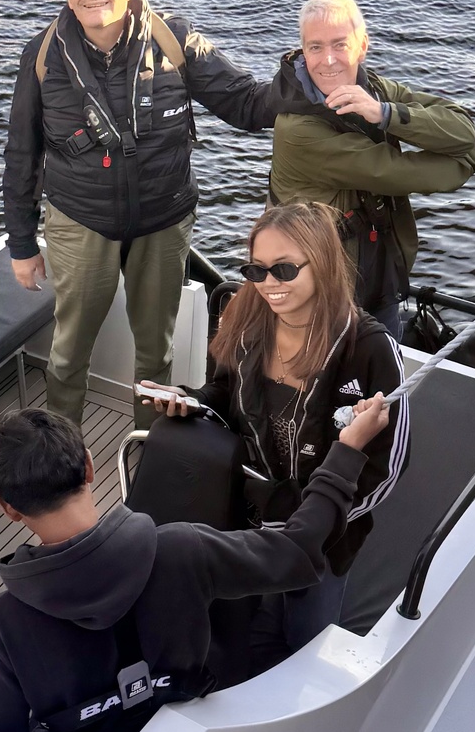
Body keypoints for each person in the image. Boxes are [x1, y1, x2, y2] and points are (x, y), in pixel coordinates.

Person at [0, 395, 389, 732]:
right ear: (90, 467)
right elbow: (297, 551)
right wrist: (347, 450)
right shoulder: (183, 550)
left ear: (9, 509)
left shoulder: (3, 625)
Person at [3, 0, 276, 428]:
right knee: (68, 353)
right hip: (80, 221)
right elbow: (22, 153)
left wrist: (314, 77)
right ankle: (64, 453)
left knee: (156, 353)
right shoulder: (41, 56)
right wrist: (22, 244)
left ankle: (151, 451)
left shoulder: (175, 39)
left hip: (162, 220)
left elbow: (248, 103)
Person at [147, 202, 406, 662]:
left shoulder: (369, 350)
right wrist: (192, 403)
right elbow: (224, 392)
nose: (269, 285)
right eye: (256, 270)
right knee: (236, 625)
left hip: (324, 541)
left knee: (304, 640)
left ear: (322, 262)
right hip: (244, 520)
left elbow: (387, 468)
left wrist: (313, 521)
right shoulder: (246, 324)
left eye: (284, 270)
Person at [268, 0, 475, 336]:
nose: (328, 59)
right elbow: (406, 173)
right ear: (303, 51)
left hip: (375, 277)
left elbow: (459, 128)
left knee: (385, 377)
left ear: (362, 46)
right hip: (323, 294)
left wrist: (384, 114)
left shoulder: (372, 89)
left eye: (340, 44)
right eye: (315, 47)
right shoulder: (298, 130)